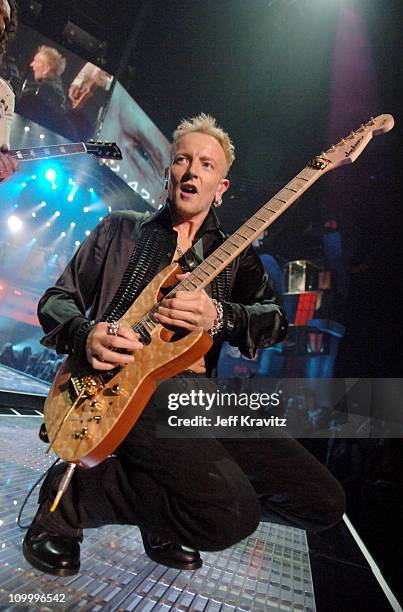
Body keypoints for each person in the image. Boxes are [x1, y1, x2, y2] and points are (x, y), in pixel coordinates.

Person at [22, 114, 345, 576]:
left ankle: (165, 508)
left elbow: (273, 323)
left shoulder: (237, 255)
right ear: (168, 172)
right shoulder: (120, 231)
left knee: (322, 503)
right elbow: (57, 300)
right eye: (182, 160)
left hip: (200, 399)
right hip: (123, 389)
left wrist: (220, 316)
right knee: (230, 515)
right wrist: (84, 333)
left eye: (207, 165)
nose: (192, 171)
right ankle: (67, 503)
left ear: (222, 186)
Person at [0, 0, 19, 180]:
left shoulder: (5, 94)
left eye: (6, 20)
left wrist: (4, 170)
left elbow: (2, 152)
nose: (1, 25)